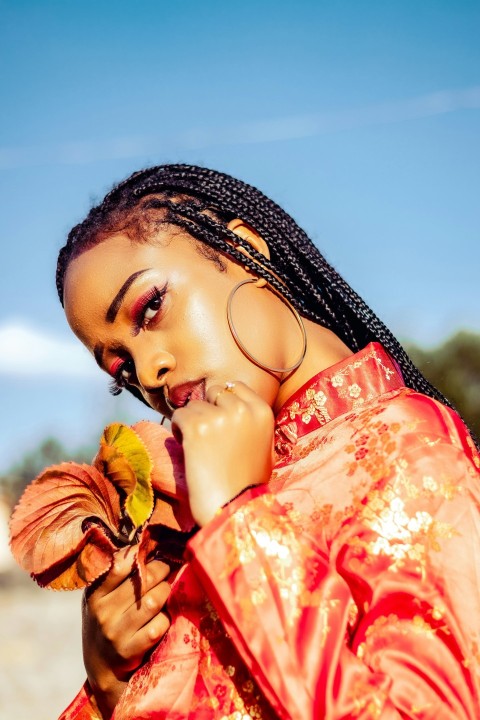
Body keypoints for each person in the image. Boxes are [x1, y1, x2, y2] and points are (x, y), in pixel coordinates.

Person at [56, 164, 480, 719]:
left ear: (244, 249)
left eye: (151, 307)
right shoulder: (184, 518)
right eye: (122, 368)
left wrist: (237, 522)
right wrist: (110, 683)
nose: (151, 372)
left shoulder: (412, 450)